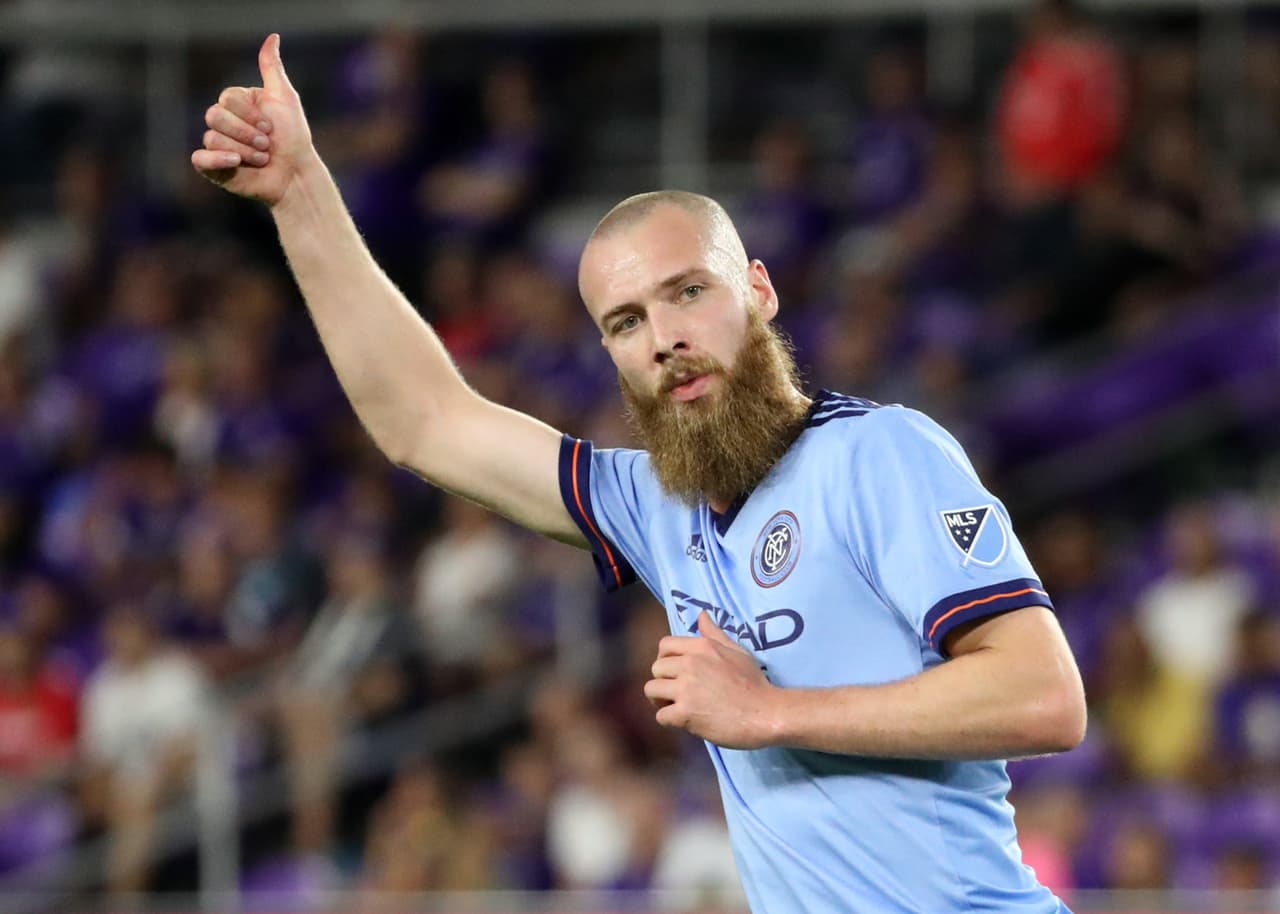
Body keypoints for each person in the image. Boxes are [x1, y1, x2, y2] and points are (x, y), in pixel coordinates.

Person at [192, 35, 1087, 913]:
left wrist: (772, 713)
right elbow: (424, 420)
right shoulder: (655, 505)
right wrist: (300, 195)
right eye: (626, 323)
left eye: (688, 292)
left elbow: (1045, 697)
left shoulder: (878, 455)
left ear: (758, 291)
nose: (664, 339)